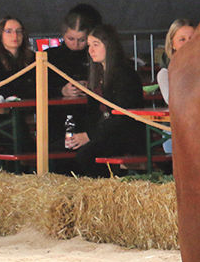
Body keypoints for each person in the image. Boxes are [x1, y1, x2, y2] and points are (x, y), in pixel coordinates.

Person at [58, 23, 147, 177]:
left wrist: (89, 136)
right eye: (89, 45)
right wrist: (83, 134)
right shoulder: (97, 74)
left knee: (85, 156)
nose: (90, 50)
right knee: (60, 151)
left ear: (109, 45)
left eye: (96, 45)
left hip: (125, 136)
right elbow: (92, 113)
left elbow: (122, 117)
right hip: (103, 133)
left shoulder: (125, 75)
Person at [0, 16, 38, 100]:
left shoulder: (33, 58)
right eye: (9, 31)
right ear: (0, 35)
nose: (15, 35)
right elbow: (0, 89)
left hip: (28, 106)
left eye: (19, 31)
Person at [49, 5, 100, 81]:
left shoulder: (96, 56)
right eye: (71, 39)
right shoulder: (50, 56)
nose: (76, 44)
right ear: (63, 34)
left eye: (82, 40)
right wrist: (61, 90)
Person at [154, 17, 195, 106]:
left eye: (192, 39)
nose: (188, 43)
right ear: (172, 44)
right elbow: (174, 102)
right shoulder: (165, 74)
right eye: (182, 40)